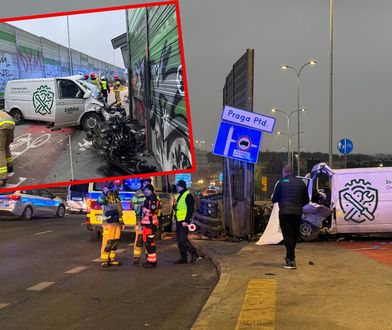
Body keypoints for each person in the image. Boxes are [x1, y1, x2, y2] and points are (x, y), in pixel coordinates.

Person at [271, 165, 309, 269]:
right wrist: (298, 205)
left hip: (285, 213)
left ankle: (291, 260)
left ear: (284, 172)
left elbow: (274, 199)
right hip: (297, 213)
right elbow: (306, 200)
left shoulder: (281, 183)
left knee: (288, 236)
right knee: (293, 236)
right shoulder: (301, 183)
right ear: (292, 172)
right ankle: (289, 257)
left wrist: (282, 201)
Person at [97, 181, 124, 268]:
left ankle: (112, 259)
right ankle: (105, 260)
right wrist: (103, 193)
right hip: (108, 223)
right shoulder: (107, 195)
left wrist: (121, 222)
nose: (120, 187)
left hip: (116, 222)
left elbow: (120, 211)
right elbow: (99, 201)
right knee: (107, 241)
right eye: (118, 185)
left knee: (115, 241)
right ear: (113, 186)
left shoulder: (116, 196)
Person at [174, 180, 199, 264]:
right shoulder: (181, 195)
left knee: (182, 239)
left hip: (184, 221)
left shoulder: (188, 195)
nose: (177, 187)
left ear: (182, 186)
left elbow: (190, 209)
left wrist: (186, 220)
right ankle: (183, 258)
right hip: (179, 220)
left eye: (178, 186)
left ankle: (194, 252)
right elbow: (181, 208)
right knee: (180, 240)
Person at [139, 183, 160, 268]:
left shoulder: (152, 200)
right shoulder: (148, 199)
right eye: (145, 190)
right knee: (147, 242)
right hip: (147, 224)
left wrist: (143, 209)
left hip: (150, 225)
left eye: (148, 190)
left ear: (151, 191)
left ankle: (152, 262)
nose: (146, 192)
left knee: (150, 243)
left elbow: (151, 212)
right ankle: (150, 260)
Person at [0, 110, 15, 187]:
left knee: (0, 150)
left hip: (3, 126)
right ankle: (10, 166)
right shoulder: (1, 112)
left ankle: (2, 178)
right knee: (6, 147)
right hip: (11, 125)